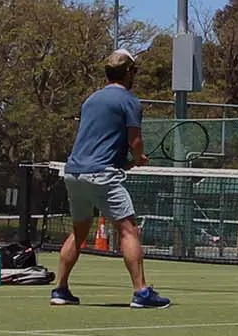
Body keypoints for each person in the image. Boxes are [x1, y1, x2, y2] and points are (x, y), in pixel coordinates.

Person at [52, 50, 168, 309]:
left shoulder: (90, 100)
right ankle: (141, 292)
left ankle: (60, 289)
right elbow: (135, 141)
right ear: (129, 73)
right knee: (129, 230)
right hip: (101, 175)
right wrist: (138, 157)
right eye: (134, 71)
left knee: (78, 232)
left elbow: (99, 140)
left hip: (73, 173)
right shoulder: (130, 101)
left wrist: (126, 160)